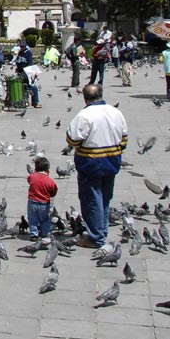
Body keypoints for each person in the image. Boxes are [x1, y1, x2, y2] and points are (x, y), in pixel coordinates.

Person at [65, 84, 128, 248]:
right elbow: (124, 139)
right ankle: (102, 230)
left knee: (92, 200)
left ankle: (96, 237)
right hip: (112, 160)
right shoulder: (116, 112)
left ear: (84, 98)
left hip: (91, 162)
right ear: (101, 95)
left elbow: (72, 139)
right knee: (105, 198)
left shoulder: (84, 115)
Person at [26, 156, 58, 242]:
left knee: (33, 219)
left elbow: (29, 180)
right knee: (45, 219)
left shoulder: (32, 177)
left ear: (36, 168)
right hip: (44, 203)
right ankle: (45, 233)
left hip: (32, 202)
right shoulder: (49, 181)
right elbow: (54, 191)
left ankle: (34, 235)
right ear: (48, 169)